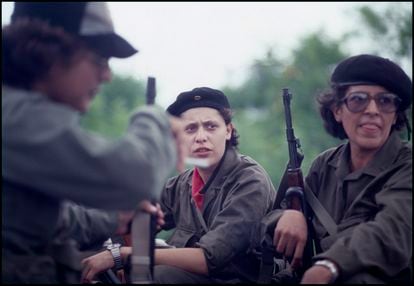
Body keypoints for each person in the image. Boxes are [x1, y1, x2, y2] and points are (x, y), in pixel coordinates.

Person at [2, 2, 186, 283]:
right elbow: (134, 178)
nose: (107, 75)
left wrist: (117, 218)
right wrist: (156, 120)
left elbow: (55, 218)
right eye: (99, 60)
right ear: (49, 53)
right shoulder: (15, 116)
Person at [80, 87, 277, 283]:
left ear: (228, 131)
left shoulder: (250, 181)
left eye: (211, 126)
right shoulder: (181, 184)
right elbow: (136, 218)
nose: (201, 137)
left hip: (238, 280)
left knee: (155, 276)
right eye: (190, 129)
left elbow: (209, 258)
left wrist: (121, 255)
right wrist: (116, 247)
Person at [259, 54, 412, 284]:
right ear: (337, 110)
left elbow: (392, 231)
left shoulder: (406, 166)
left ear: (396, 114)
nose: (372, 110)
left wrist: (330, 265)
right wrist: (290, 214)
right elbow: (270, 218)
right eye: (358, 99)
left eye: (385, 101)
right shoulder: (324, 165)